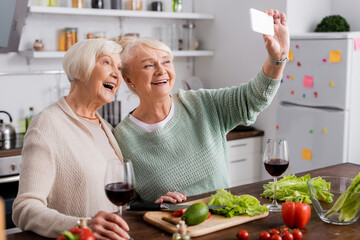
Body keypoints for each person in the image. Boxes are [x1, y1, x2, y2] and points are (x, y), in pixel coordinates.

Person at [113, 9, 289, 204]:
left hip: (221, 222)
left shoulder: (202, 104)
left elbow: (253, 97)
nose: (161, 70)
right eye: (149, 65)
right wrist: (154, 206)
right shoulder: (123, 138)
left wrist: (277, 59)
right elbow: (128, 204)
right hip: (171, 230)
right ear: (129, 80)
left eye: (166, 62)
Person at [12, 39, 131, 240]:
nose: (116, 74)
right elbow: (25, 208)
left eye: (118, 68)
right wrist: (82, 225)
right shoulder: (46, 125)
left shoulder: (106, 128)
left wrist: (157, 203)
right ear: (79, 70)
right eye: (106, 63)